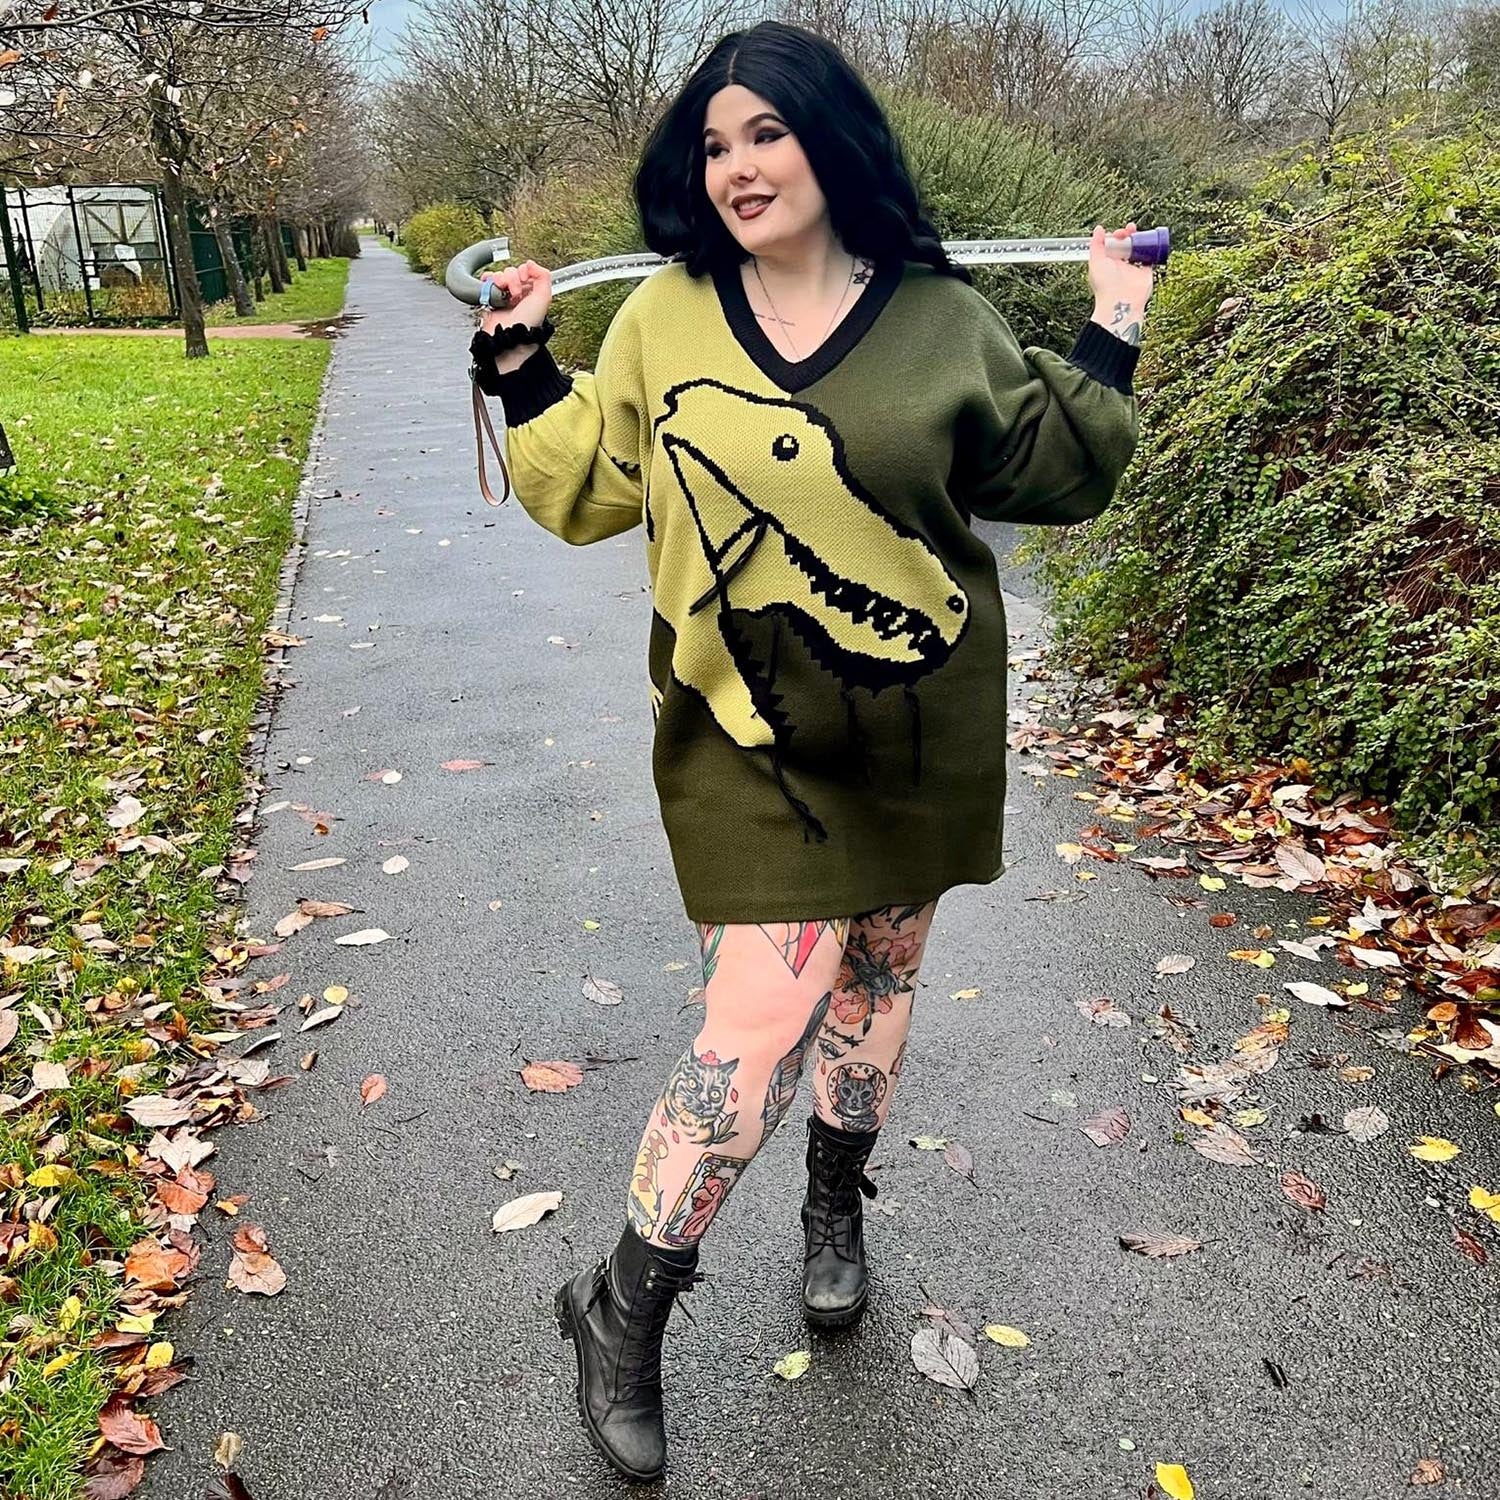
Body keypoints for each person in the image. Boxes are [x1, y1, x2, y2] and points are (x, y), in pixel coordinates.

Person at [467, 19, 1152, 1485]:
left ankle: (834, 1208)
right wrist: (520, 359)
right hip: (746, 737)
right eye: (714, 145)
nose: (737, 167)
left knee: (881, 982)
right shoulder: (664, 315)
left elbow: (1051, 470)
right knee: (759, 1022)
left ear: (831, 141)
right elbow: (588, 490)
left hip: (920, 732)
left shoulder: (940, 316)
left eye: (766, 133)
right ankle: (623, 1308)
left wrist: (1114, 317)